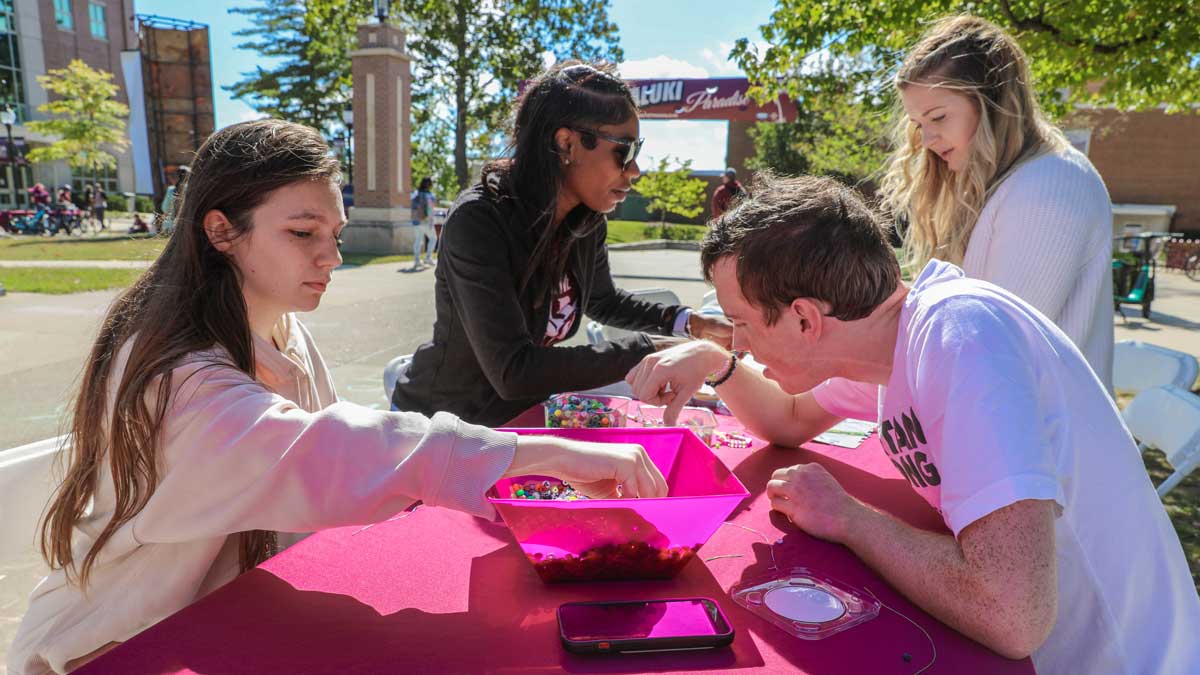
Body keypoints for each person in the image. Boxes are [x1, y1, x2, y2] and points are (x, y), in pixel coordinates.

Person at [8, 119, 667, 675]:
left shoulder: (280, 330)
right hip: (116, 646)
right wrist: (551, 456)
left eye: (336, 233)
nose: (331, 255)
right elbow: (329, 449)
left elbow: (344, 460)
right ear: (220, 231)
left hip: (227, 620)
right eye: (303, 233)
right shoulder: (180, 378)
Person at [626, 173, 1200, 675]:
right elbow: (788, 417)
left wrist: (848, 517)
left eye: (741, 324)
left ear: (804, 318)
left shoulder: (962, 337)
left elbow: (1011, 615)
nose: (742, 344)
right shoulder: (890, 337)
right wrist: (716, 363)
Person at [390, 62, 732, 427]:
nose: (635, 171)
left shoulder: (585, 220)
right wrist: (657, 350)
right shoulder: (479, 221)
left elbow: (602, 300)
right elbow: (514, 370)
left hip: (520, 420)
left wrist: (687, 323)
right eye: (625, 151)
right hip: (441, 427)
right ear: (566, 143)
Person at [880, 15, 1113, 389]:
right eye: (918, 123)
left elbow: (994, 351)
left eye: (938, 116)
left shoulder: (1050, 185)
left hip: (1045, 443)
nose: (926, 140)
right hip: (1013, 434)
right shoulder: (1016, 182)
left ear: (992, 102)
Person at [410, 176, 436, 269]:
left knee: (418, 240)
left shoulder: (416, 193)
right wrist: (430, 220)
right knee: (433, 238)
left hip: (416, 221)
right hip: (426, 221)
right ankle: (428, 258)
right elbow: (430, 209)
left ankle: (417, 260)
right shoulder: (430, 195)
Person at [160, 166, 188, 233]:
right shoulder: (189, 188)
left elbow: (165, 207)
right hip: (186, 224)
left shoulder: (171, 190)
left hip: (170, 226)